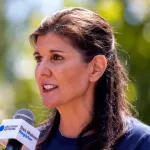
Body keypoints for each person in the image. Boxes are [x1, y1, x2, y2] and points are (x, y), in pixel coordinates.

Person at [29, 7, 150, 150]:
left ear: (96, 68)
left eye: (56, 57)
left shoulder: (140, 143)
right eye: (39, 59)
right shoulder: (31, 144)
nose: (41, 71)